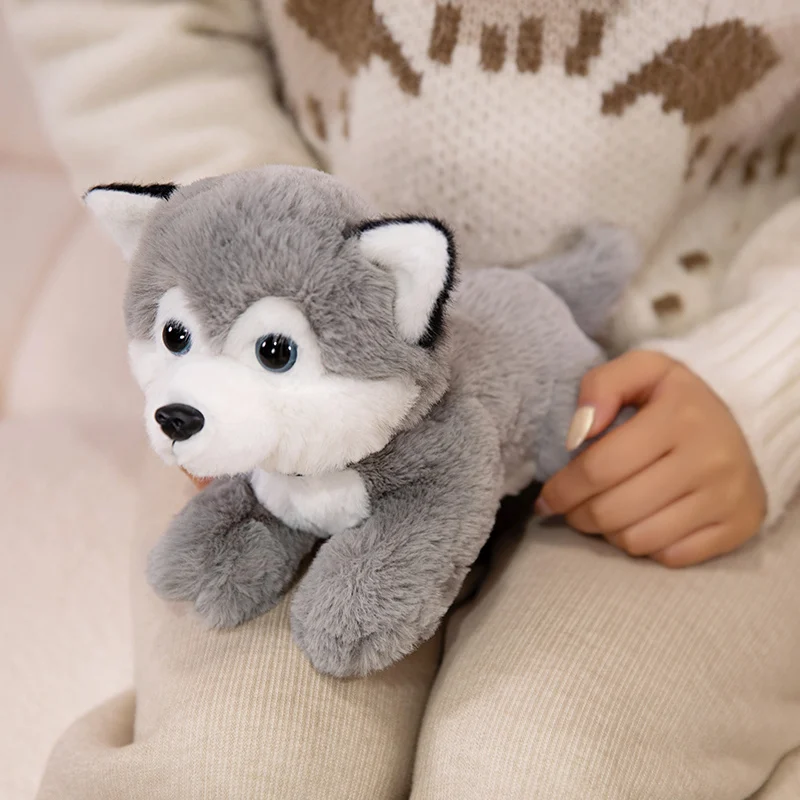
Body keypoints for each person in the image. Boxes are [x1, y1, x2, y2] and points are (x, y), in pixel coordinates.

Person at [7, 1, 800, 797]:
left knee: (539, 771)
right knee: (236, 768)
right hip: (297, 389)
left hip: (688, 402)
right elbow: (118, 28)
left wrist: (767, 375)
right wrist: (241, 263)